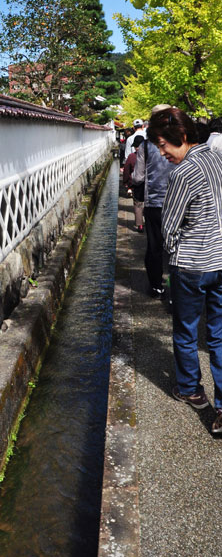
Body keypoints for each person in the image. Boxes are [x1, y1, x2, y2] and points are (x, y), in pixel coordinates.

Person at [147, 107, 222, 434]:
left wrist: (176, 252)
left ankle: (191, 388)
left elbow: (170, 225)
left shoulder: (183, 173)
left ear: (182, 137)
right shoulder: (217, 158)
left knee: (187, 330)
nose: (162, 154)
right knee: (219, 335)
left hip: (192, 266)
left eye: (164, 145)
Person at [131, 105, 174, 297]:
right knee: (177, 248)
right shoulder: (182, 142)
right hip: (178, 203)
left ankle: (156, 286)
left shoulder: (146, 146)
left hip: (154, 204)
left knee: (154, 247)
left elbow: (138, 177)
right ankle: (177, 290)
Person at [123, 135, 145, 232]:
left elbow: (126, 171)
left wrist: (126, 183)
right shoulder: (150, 156)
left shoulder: (132, 157)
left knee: (138, 204)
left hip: (137, 184)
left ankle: (140, 225)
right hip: (149, 184)